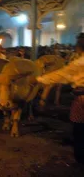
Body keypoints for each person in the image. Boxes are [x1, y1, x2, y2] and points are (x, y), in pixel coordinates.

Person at [37, 33, 84, 164]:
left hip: (81, 99)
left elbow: (61, 75)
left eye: (78, 44)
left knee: (79, 129)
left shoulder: (80, 62)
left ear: (80, 46)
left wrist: (39, 79)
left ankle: (80, 158)